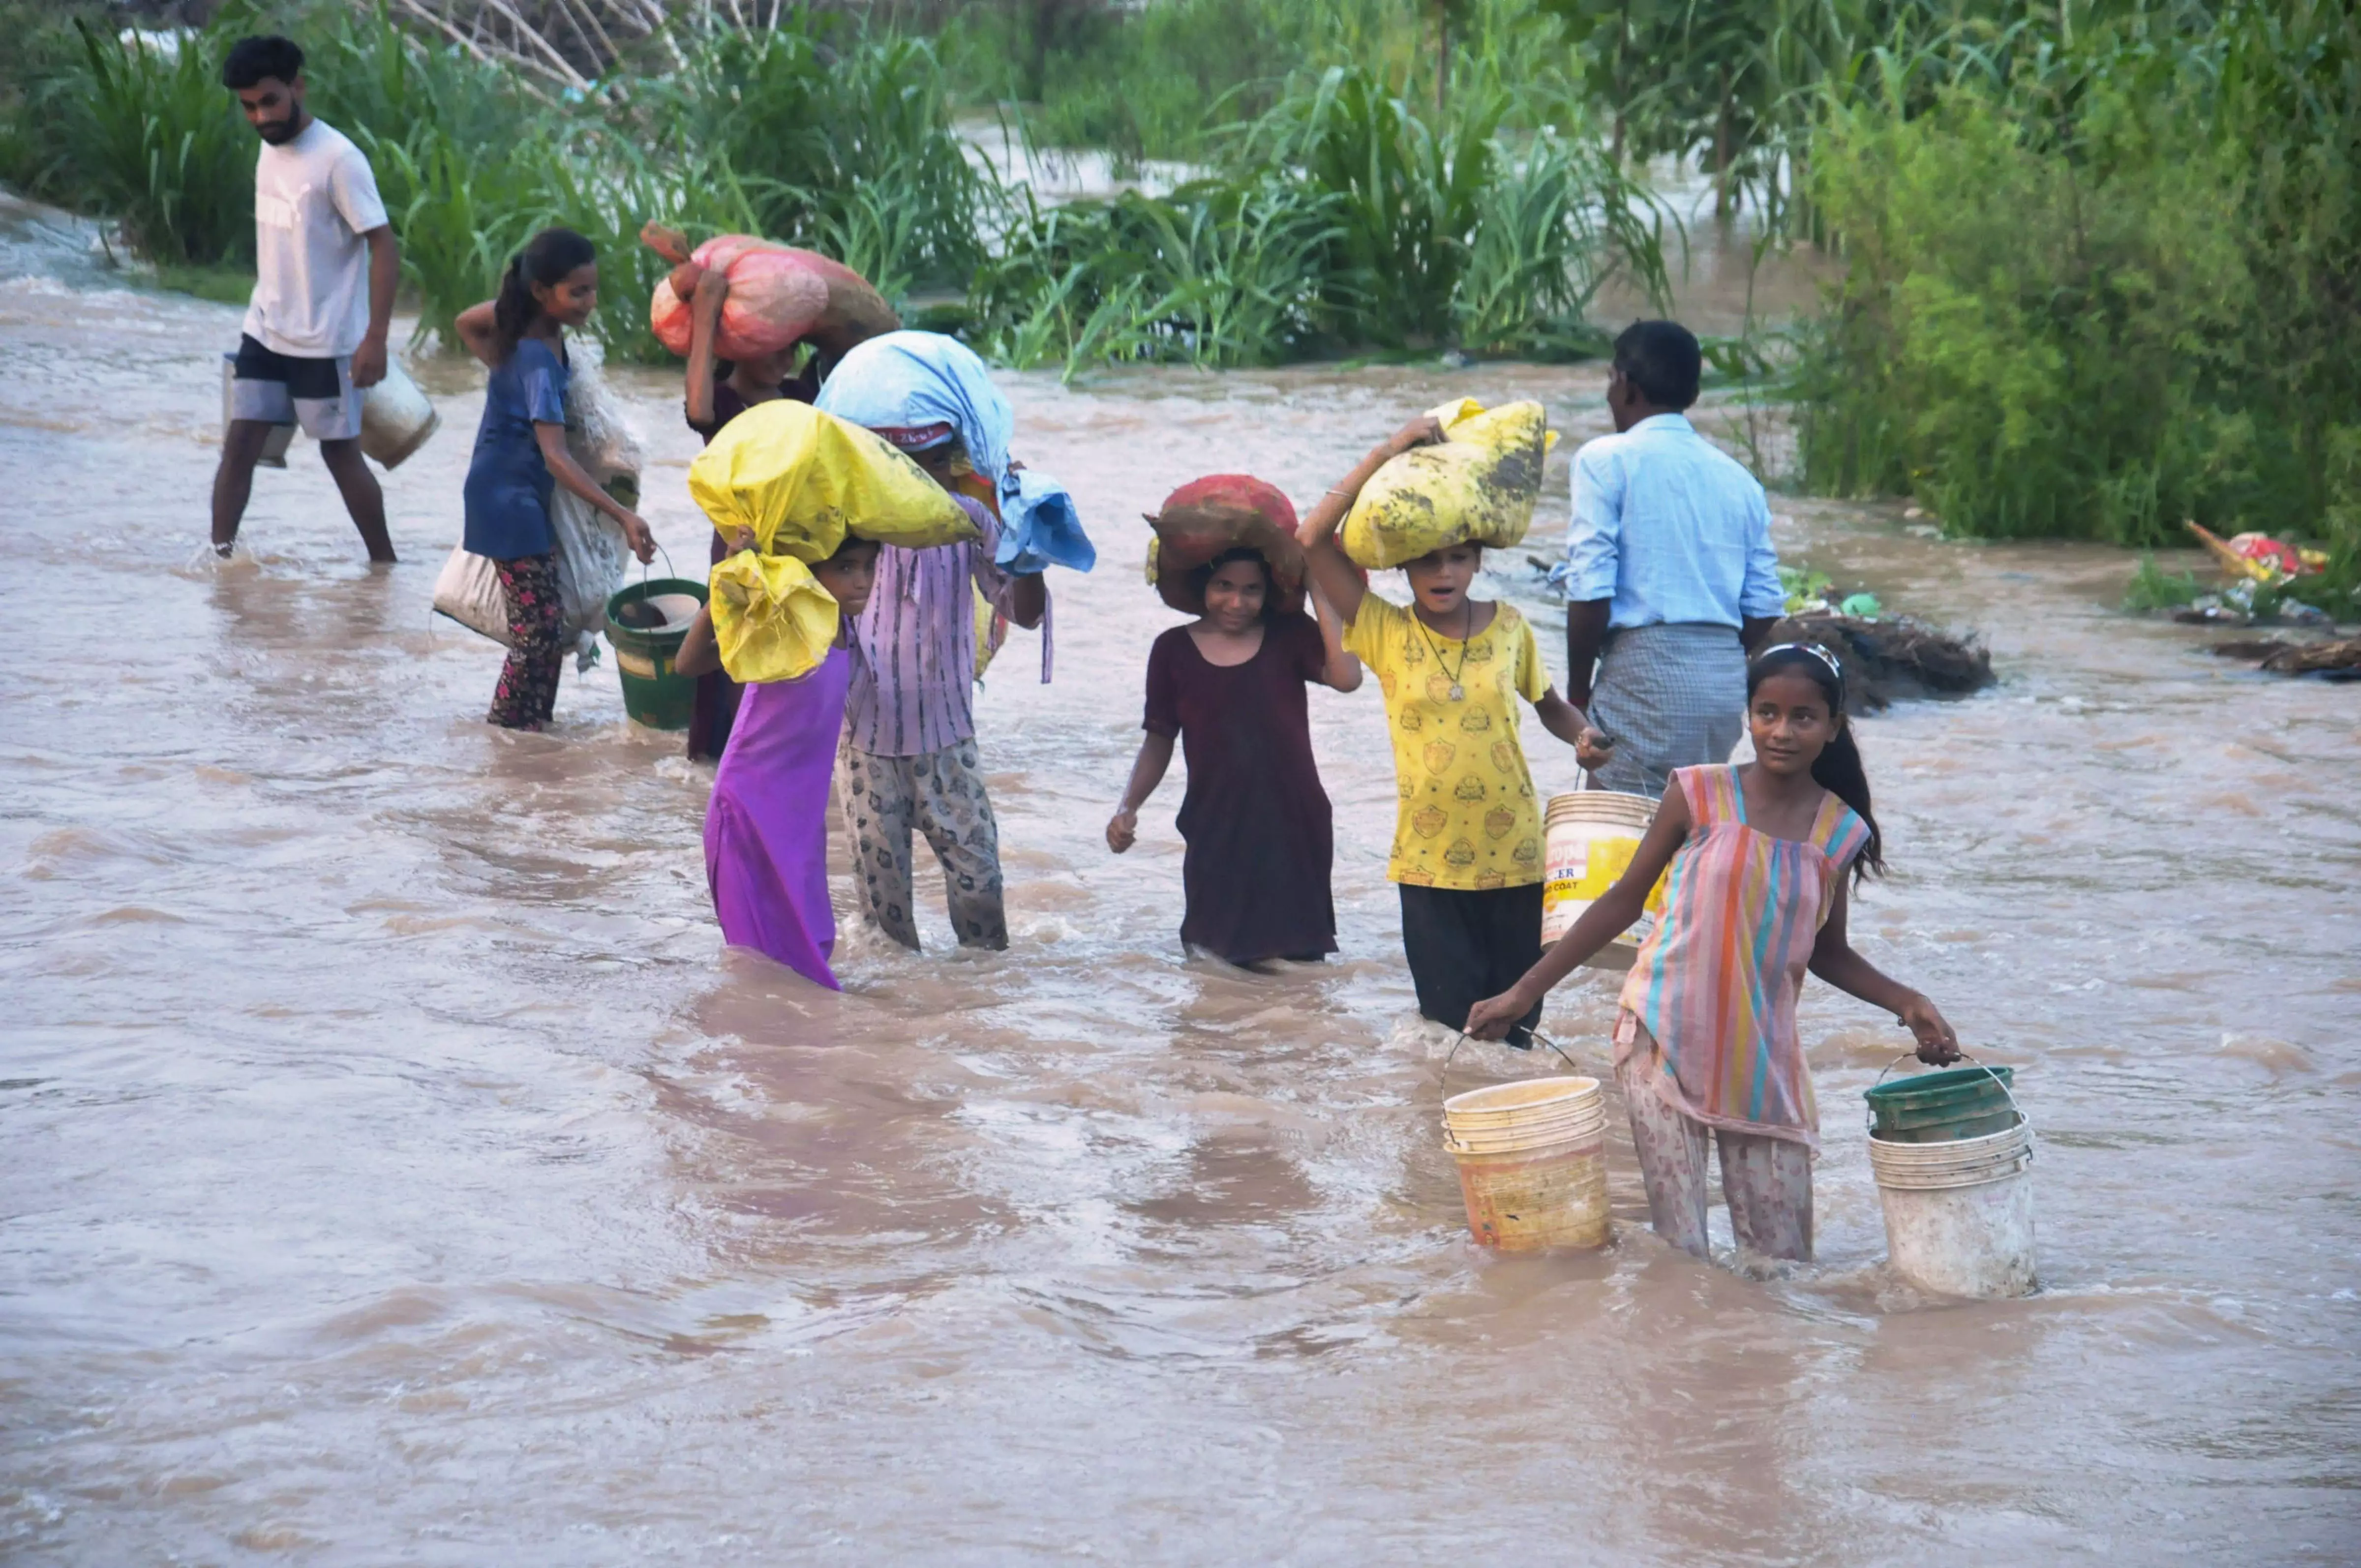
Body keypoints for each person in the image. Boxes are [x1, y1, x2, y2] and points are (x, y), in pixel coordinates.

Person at [1467, 643, 1960, 1264]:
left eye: (1803, 717)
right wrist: (1523, 991)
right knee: (1682, 1252)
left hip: (1762, 1057)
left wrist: (1908, 1001)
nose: (1782, 731)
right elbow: (1622, 902)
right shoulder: (1697, 793)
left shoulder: (1839, 830)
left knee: (1781, 1263)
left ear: (1833, 726)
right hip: (1660, 1033)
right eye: (1767, 712)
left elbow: (1827, 952)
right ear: (1747, 716)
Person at [1299, 416, 1603, 1047]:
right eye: (1428, 560)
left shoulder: (1511, 626)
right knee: (1449, 1032)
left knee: (1517, 1029)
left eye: (1458, 557)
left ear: (1478, 559)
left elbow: (1549, 706)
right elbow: (1310, 540)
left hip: (1519, 855)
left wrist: (1583, 736)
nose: (1443, 572)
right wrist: (1387, 450)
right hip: (1429, 864)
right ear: (1404, 569)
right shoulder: (1385, 631)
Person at [814, 333, 1052, 954]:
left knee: (981, 896)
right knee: (884, 922)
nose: (918, 482)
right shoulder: (848, 530)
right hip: (865, 743)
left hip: (948, 743)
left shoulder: (971, 522)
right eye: (902, 469)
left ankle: (974, 1014)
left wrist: (1029, 550)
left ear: (951, 464)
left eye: (932, 465)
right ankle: (899, 1038)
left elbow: (1023, 615)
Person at [668, 233, 891, 764]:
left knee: (801, 674)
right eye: (770, 346)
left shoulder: (802, 397)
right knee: (737, 672)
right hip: (741, 553)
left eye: (790, 347)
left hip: (806, 559)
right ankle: (732, 774)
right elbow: (696, 408)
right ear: (740, 346)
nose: (782, 358)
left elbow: (853, 352)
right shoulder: (723, 404)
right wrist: (707, 310)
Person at [1108, 502, 1362, 965]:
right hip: (1215, 825)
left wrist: (1317, 589)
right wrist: (1128, 807)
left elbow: (1347, 678)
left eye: (1252, 590)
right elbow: (1159, 739)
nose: (1237, 602)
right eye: (1224, 586)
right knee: (1211, 965)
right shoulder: (1172, 650)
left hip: (1294, 824)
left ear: (1269, 593)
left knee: (1299, 971)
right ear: (1202, 585)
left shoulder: (1289, 634)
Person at [1557, 319, 1785, 799]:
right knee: (1692, 824)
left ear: (1625, 384)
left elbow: (1591, 589)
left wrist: (1579, 693)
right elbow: (1764, 603)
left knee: (1613, 824)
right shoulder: (1738, 477)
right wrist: (1710, 653)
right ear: (1693, 392)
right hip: (1723, 679)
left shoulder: (1606, 459)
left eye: (1610, 382)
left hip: (1645, 672)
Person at [452, 228, 655, 731]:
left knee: (544, 626)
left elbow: (467, 322)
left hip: (508, 492)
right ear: (542, 291)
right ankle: (503, 730)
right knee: (538, 633)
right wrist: (623, 515)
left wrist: (517, 300)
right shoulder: (538, 359)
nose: (590, 302)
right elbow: (557, 456)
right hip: (509, 499)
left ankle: (533, 731)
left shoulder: (529, 340)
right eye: (577, 292)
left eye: (592, 289)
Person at [211, 34, 401, 563]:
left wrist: (376, 339)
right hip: (266, 328)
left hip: (327, 341)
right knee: (241, 445)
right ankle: (219, 564)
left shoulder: (339, 160)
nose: (258, 117)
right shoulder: (268, 149)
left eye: (268, 101)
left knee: (340, 454)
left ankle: (384, 567)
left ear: (298, 87)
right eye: (248, 106)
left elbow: (383, 244)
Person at [675, 532, 882, 990]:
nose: (861, 582)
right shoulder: (784, 626)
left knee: (808, 957)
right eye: (846, 569)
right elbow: (688, 665)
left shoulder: (848, 629)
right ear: (810, 573)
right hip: (747, 812)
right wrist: (722, 588)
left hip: (799, 824)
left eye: (869, 567)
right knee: (757, 966)